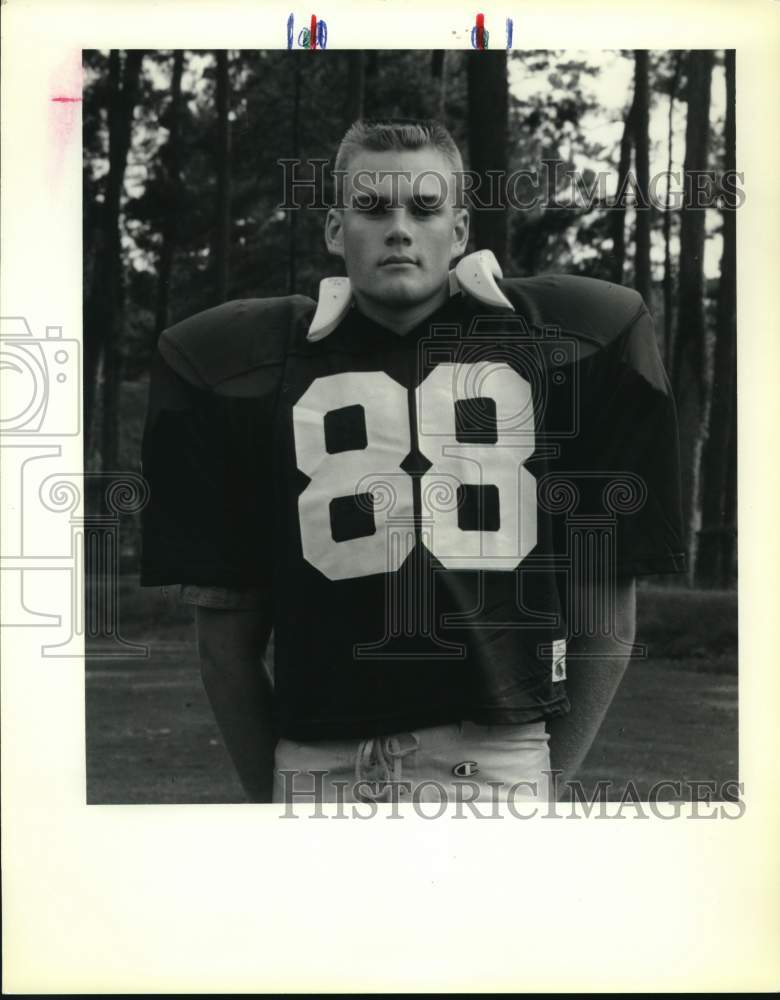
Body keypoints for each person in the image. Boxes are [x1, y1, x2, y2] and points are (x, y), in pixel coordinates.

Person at [140, 119, 685, 806]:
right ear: (335, 230)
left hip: (495, 761)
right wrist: (274, 807)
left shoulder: (565, 348)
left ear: (460, 232)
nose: (399, 228)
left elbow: (605, 620)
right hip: (317, 763)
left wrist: (544, 786)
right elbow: (224, 645)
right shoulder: (253, 370)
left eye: (424, 208)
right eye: (372, 207)